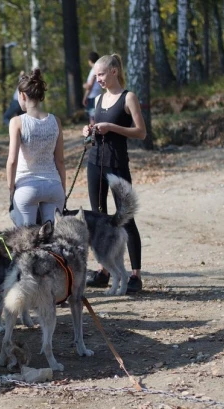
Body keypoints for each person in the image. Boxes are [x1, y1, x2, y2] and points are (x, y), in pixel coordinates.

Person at [82, 53, 146, 293]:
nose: (97, 78)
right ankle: (104, 270)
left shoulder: (128, 97)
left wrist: (112, 128)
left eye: (100, 74)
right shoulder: (98, 99)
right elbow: (96, 130)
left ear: (114, 72)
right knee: (99, 217)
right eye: (96, 75)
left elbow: (141, 132)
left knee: (125, 218)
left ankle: (135, 275)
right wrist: (88, 130)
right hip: (95, 162)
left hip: (117, 164)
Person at [6, 68, 66, 227]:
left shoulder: (17, 122)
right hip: (53, 185)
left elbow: (12, 160)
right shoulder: (56, 121)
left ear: (23, 95)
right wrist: (63, 188)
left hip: (27, 186)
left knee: (27, 242)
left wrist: (11, 189)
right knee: (51, 240)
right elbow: (60, 160)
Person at [82, 51, 102, 126]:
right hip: (97, 94)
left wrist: (85, 96)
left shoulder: (94, 70)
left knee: (93, 118)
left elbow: (89, 86)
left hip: (93, 96)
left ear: (90, 60)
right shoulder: (97, 69)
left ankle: (94, 134)